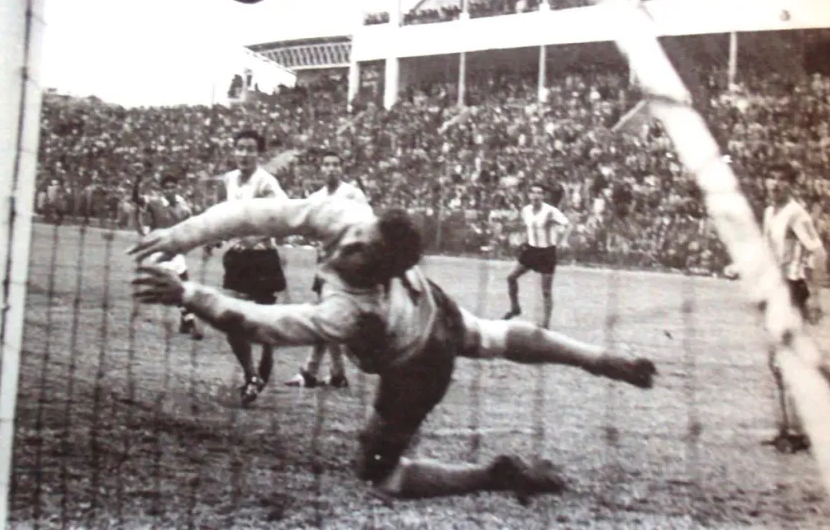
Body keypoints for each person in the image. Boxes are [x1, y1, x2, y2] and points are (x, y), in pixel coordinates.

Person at [129, 197, 657, 502]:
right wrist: (182, 234)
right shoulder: (347, 216)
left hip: (417, 366)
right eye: (363, 235)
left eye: (365, 253)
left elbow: (267, 324)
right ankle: (600, 359)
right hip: (437, 309)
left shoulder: (354, 310)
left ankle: (492, 475)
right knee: (490, 334)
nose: (351, 246)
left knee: (378, 475)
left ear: (381, 271)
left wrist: (189, 294)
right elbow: (255, 214)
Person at [209, 129, 289, 407]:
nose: (244, 154)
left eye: (250, 149)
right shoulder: (228, 180)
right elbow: (221, 213)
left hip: (262, 258)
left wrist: (254, 237)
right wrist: (214, 235)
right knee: (230, 319)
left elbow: (283, 214)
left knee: (262, 322)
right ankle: (251, 375)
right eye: (240, 148)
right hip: (237, 258)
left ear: (259, 153)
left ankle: (268, 353)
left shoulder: (266, 182)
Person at [286, 150, 367, 389]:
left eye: (335, 164)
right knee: (325, 316)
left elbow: (365, 224)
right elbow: (309, 227)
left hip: (347, 264)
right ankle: (331, 373)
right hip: (325, 264)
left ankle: (318, 371)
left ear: (341, 168)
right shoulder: (316, 197)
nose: (330, 168)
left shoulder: (353, 194)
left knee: (329, 316)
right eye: (326, 164)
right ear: (320, 169)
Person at [761, 166, 825, 452]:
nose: (774, 184)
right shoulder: (769, 213)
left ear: (789, 185)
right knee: (776, 362)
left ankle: (799, 431)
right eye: (771, 178)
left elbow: (819, 252)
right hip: (775, 291)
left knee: (787, 360)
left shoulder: (797, 214)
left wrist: (816, 297)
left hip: (792, 289)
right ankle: (789, 429)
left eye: (780, 180)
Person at [133, 173, 202, 340]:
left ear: (177, 188)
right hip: (161, 252)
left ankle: (186, 322)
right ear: (162, 190)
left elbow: (189, 225)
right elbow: (136, 199)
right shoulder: (155, 203)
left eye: (173, 187)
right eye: (166, 188)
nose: (170, 190)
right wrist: (137, 182)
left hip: (176, 251)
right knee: (177, 287)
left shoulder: (183, 205)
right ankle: (190, 321)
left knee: (183, 287)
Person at [502, 183, 570, 327]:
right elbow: (527, 227)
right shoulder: (526, 210)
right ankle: (515, 308)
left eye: (539, 193)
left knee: (546, 291)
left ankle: (545, 325)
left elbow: (567, 224)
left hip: (547, 252)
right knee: (511, 278)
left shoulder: (551, 211)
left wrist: (563, 240)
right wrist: (521, 238)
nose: (536, 196)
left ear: (543, 196)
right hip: (531, 250)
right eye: (533, 193)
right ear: (529, 195)